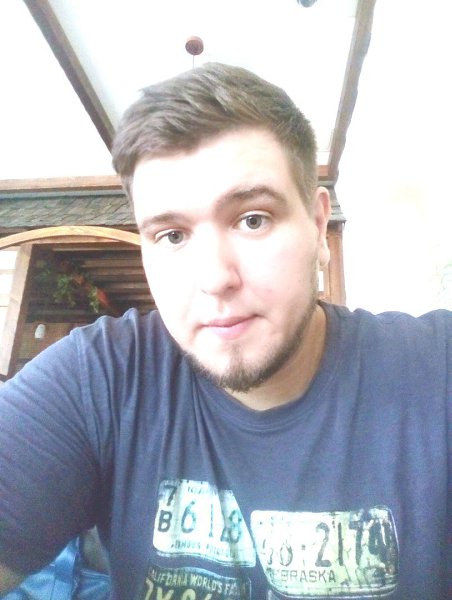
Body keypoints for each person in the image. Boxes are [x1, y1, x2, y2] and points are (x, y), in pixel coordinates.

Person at [0, 63, 450, 600]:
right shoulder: (98, 380)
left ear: (317, 225)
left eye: (252, 219)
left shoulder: (436, 371)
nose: (214, 279)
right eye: (172, 236)